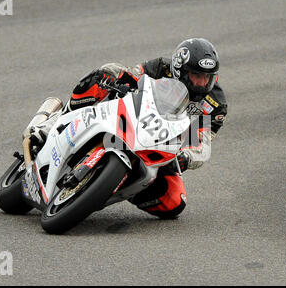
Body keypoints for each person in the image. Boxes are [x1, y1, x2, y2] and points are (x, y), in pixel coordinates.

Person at [29, 38, 228, 219]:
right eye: (196, 75)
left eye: (207, 77)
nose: (202, 83)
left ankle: (114, 185)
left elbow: (203, 139)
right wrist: (119, 81)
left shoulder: (215, 104)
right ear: (180, 69)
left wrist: (188, 156)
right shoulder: (161, 67)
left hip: (166, 146)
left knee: (174, 203)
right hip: (134, 119)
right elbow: (133, 75)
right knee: (107, 72)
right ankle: (54, 123)